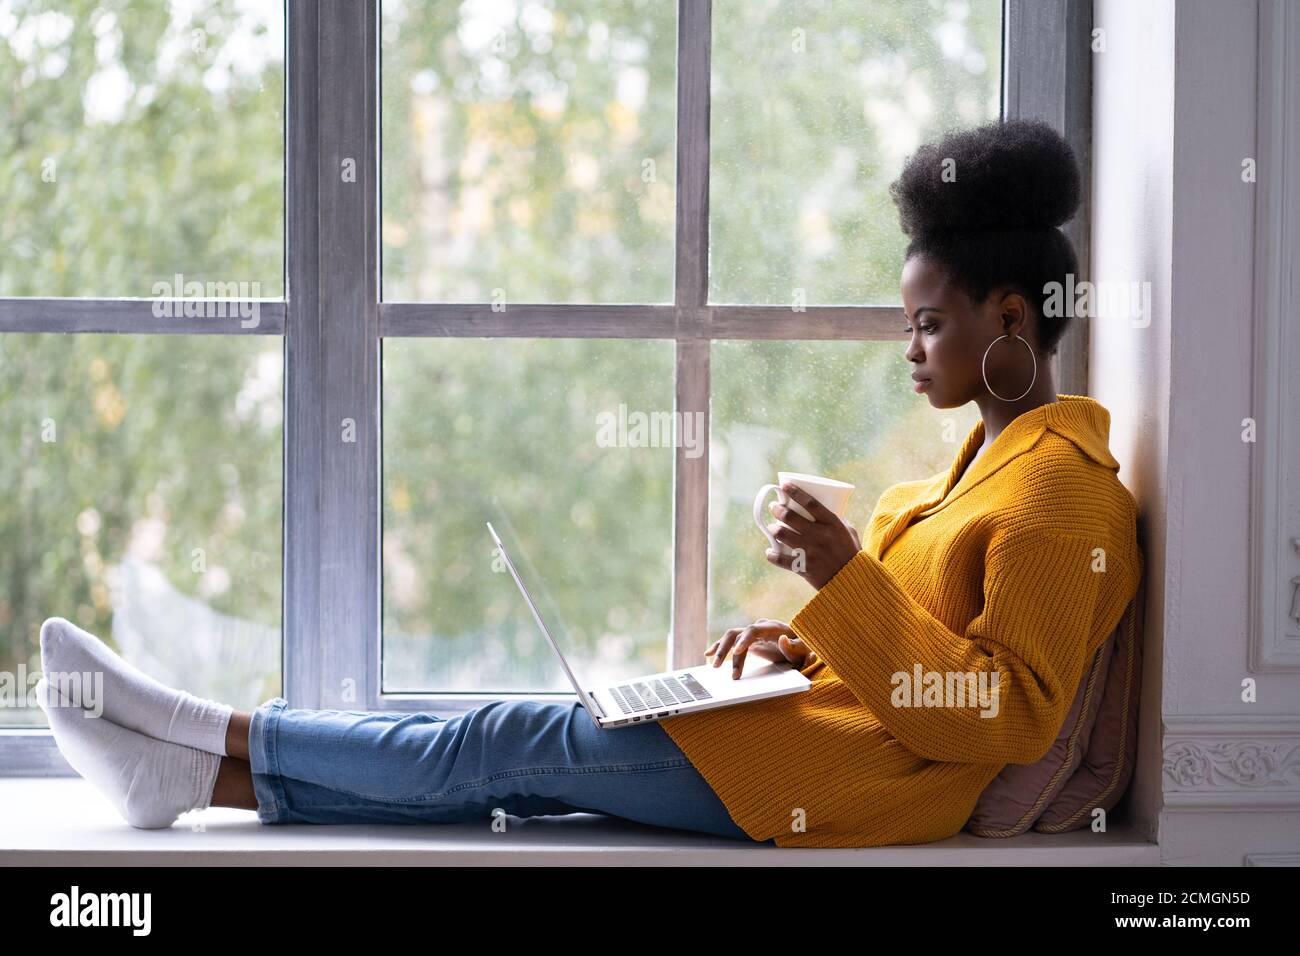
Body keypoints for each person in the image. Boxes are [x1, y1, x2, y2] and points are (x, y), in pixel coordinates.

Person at [37, 118, 1142, 848]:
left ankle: (200, 726)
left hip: (847, 781)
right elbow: (908, 638)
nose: (909, 349)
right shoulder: (973, 466)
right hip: (806, 727)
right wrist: (791, 641)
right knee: (504, 754)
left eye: (928, 323)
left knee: (505, 741)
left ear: (1008, 318)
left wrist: (844, 575)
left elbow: (1003, 713)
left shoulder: (1061, 494)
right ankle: (190, 777)